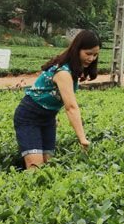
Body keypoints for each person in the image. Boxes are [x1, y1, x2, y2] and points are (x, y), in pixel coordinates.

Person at [13, 30, 100, 170]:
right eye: (88, 53)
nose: (91, 58)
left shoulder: (72, 70)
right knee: (35, 167)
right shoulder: (63, 73)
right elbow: (71, 107)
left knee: (48, 165)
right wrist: (82, 138)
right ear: (77, 50)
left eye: (95, 54)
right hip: (29, 117)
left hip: (48, 119)